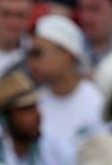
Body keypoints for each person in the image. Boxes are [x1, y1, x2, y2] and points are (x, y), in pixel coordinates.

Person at [27, 14, 105, 154]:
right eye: (30, 54)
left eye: (38, 53)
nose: (31, 63)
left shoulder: (97, 100)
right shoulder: (35, 103)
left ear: (66, 54)